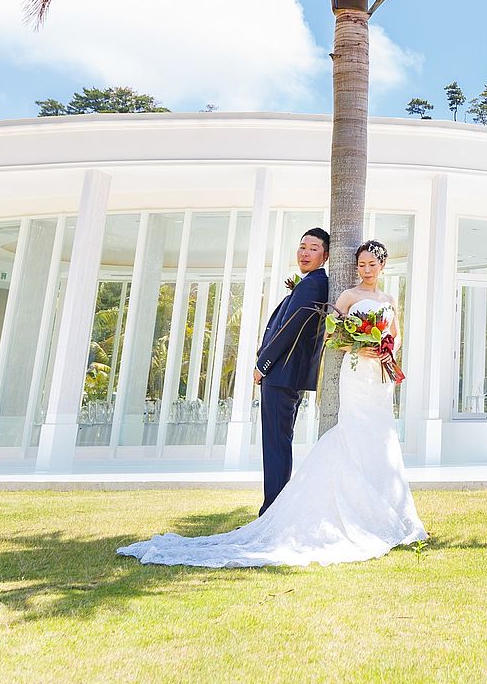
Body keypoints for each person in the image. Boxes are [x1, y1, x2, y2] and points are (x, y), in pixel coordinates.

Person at [119, 240, 427, 568]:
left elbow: (396, 334)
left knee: (380, 435)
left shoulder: (388, 299)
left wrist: (385, 349)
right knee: (350, 432)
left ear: (382, 266)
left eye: (371, 265)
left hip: (379, 376)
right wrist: (358, 346)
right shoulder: (348, 296)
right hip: (356, 373)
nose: (366, 270)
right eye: (361, 265)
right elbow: (329, 336)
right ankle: (326, 507)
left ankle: (385, 506)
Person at [255, 227, 330, 514]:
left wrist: (262, 365)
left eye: (313, 248)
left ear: (325, 255)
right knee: (279, 443)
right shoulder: (310, 282)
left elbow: (288, 329)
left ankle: (272, 511)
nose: (305, 253)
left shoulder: (313, 284)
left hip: (280, 374)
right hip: (285, 375)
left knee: (275, 445)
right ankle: (275, 510)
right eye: (302, 246)